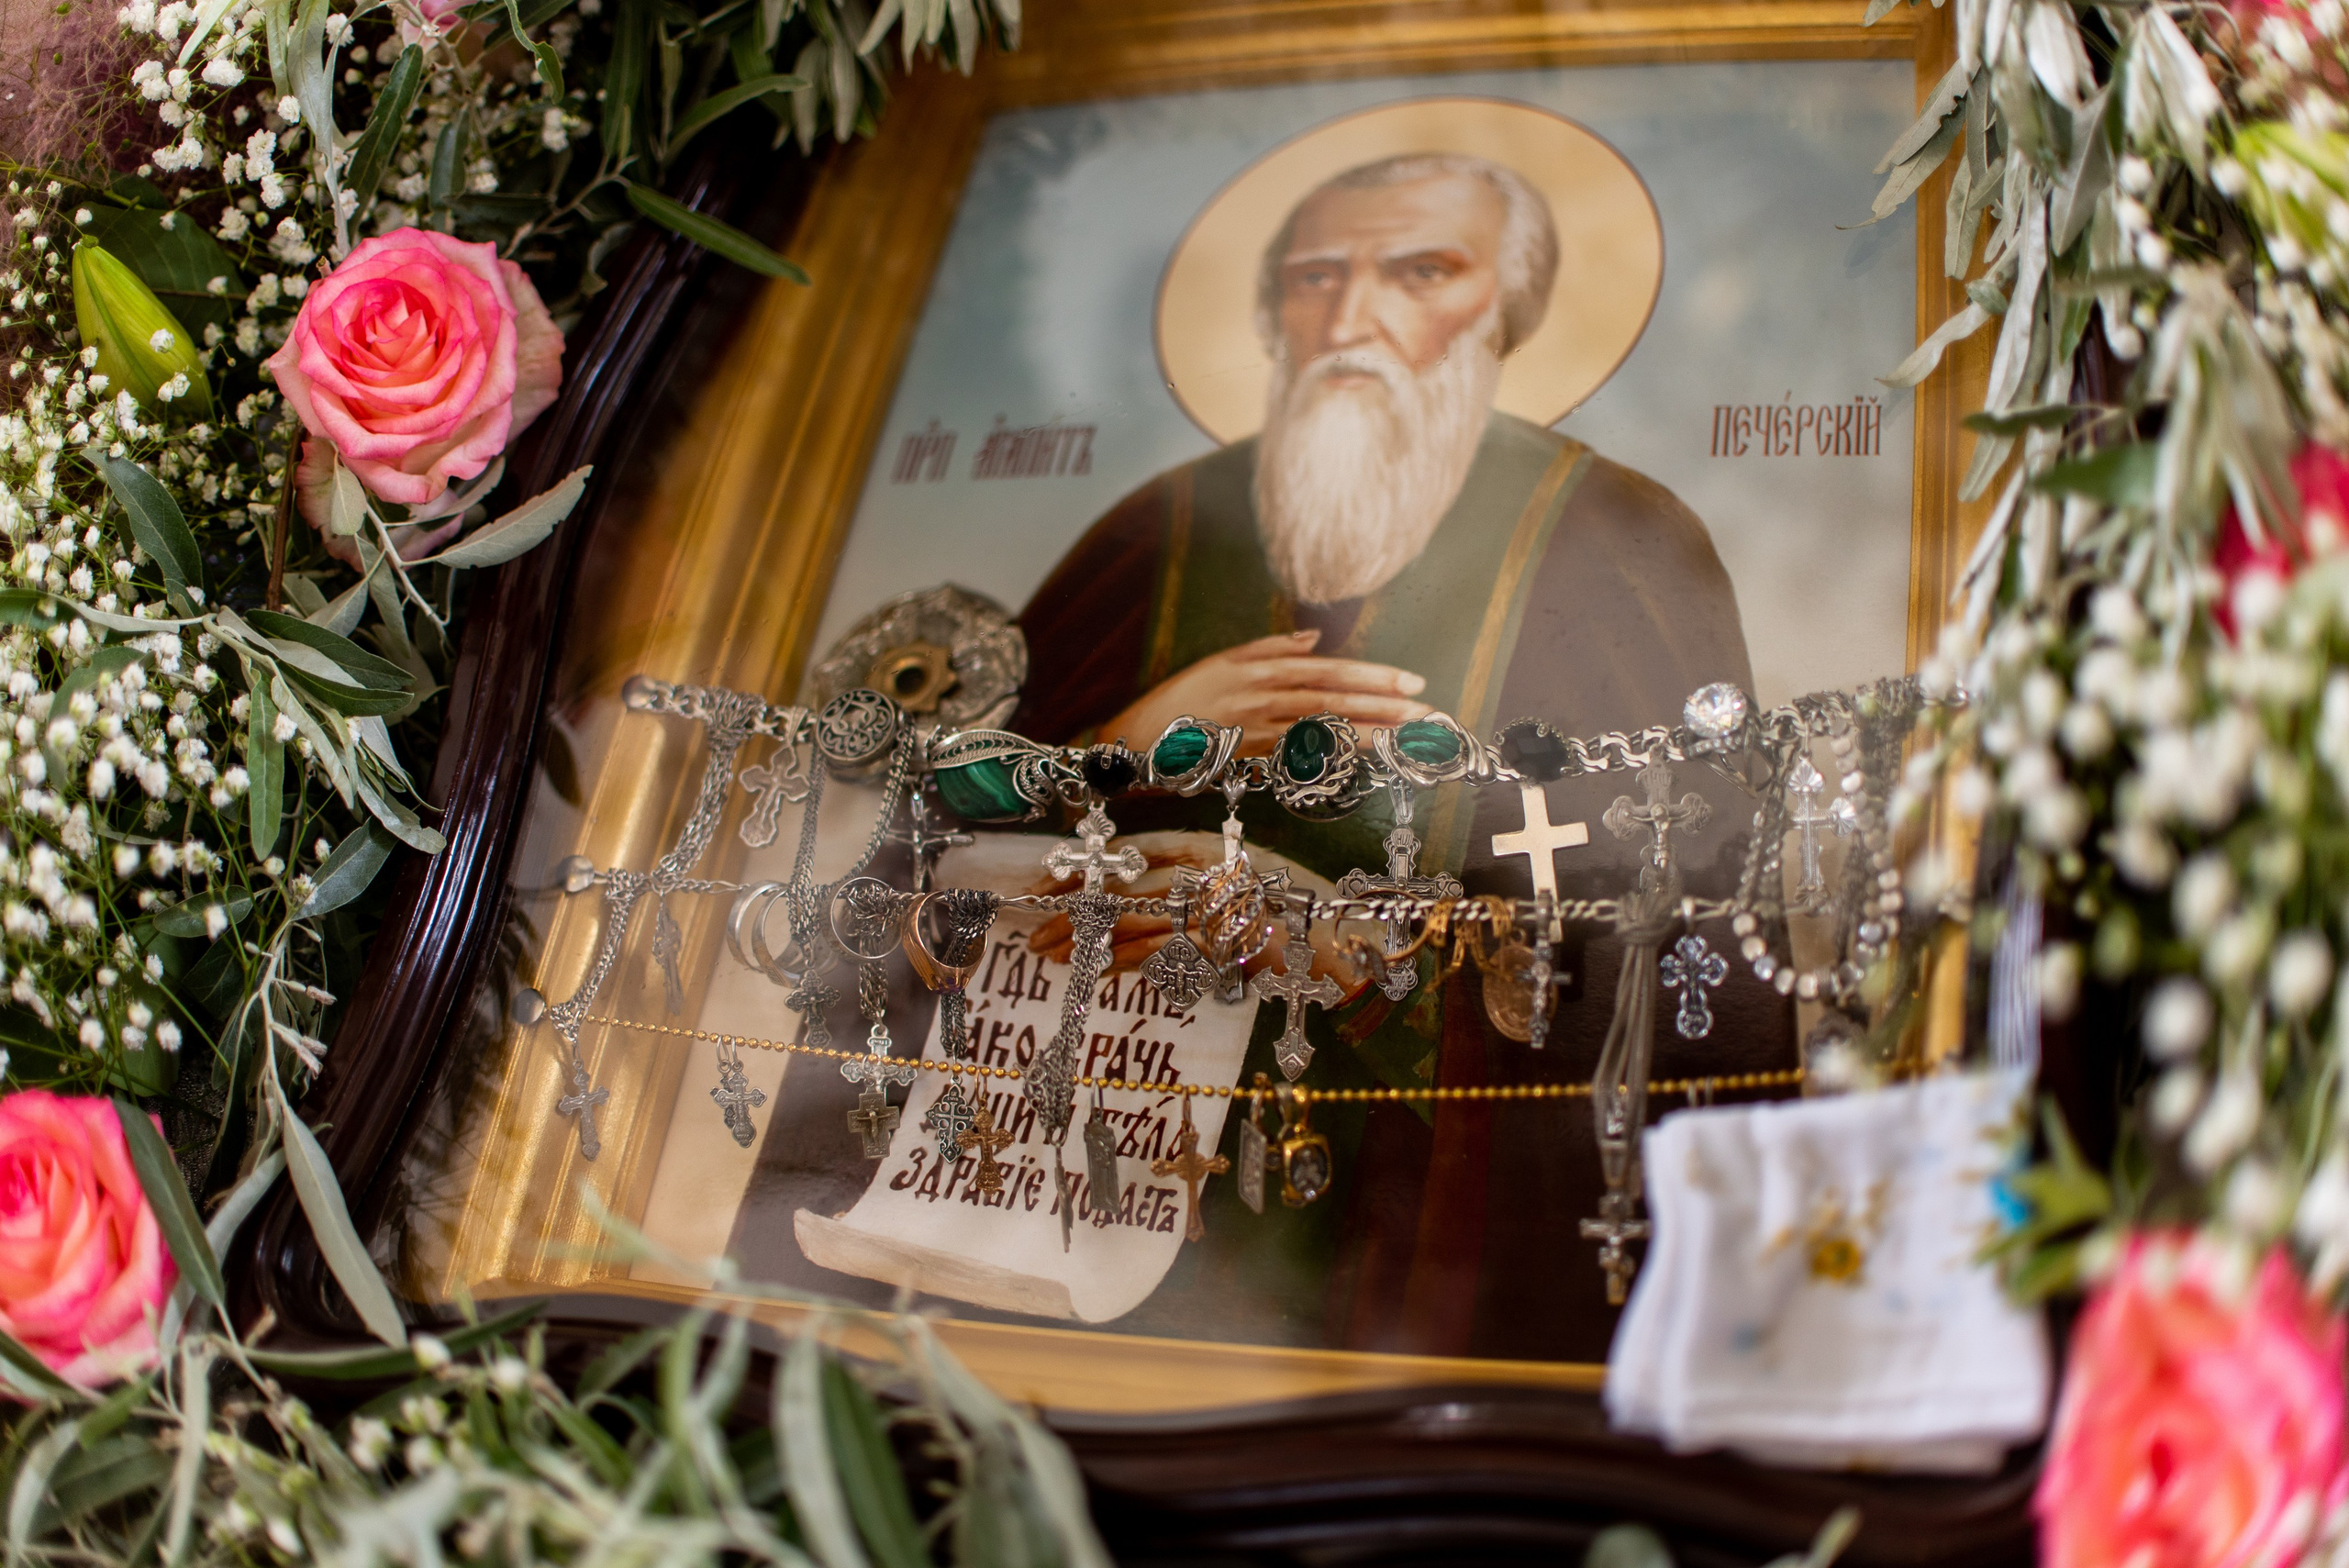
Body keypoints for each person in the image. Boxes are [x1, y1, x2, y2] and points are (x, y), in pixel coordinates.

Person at [1005, 150, 1799, 1362]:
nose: (1354, 314)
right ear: (1272, 315)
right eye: (1317, 276)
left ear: (1509, 313)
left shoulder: (1612, 546)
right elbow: (916, 885)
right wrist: (1119, 750)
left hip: (1424, 1270)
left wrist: (1360, 965)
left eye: (1422, 270)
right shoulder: (1154, 531)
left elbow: (1678, 950)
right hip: (1088, 1215)